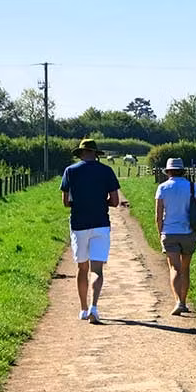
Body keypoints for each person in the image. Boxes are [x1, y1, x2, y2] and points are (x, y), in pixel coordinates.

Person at [60, 138, 121, 323]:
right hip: (101, 223)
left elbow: (65, 202)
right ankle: (94, 307)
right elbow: (115, 201)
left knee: (82, 267)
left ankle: (83, 308)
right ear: (96, 153)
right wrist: (103, 202)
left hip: (79, 224)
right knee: (97, 269)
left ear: (80, 153)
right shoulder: (106, 171)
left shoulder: (70, 171)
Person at [155, 157, 196, 315]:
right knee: (185, 268)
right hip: (188, 232)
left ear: (168, 171)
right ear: (182, 170)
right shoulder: (192, 187)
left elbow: (157, 215)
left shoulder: (162, 188)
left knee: (174, 268)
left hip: (169, 232)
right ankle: (183, 301)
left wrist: (160, 232)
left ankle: (178, 302)